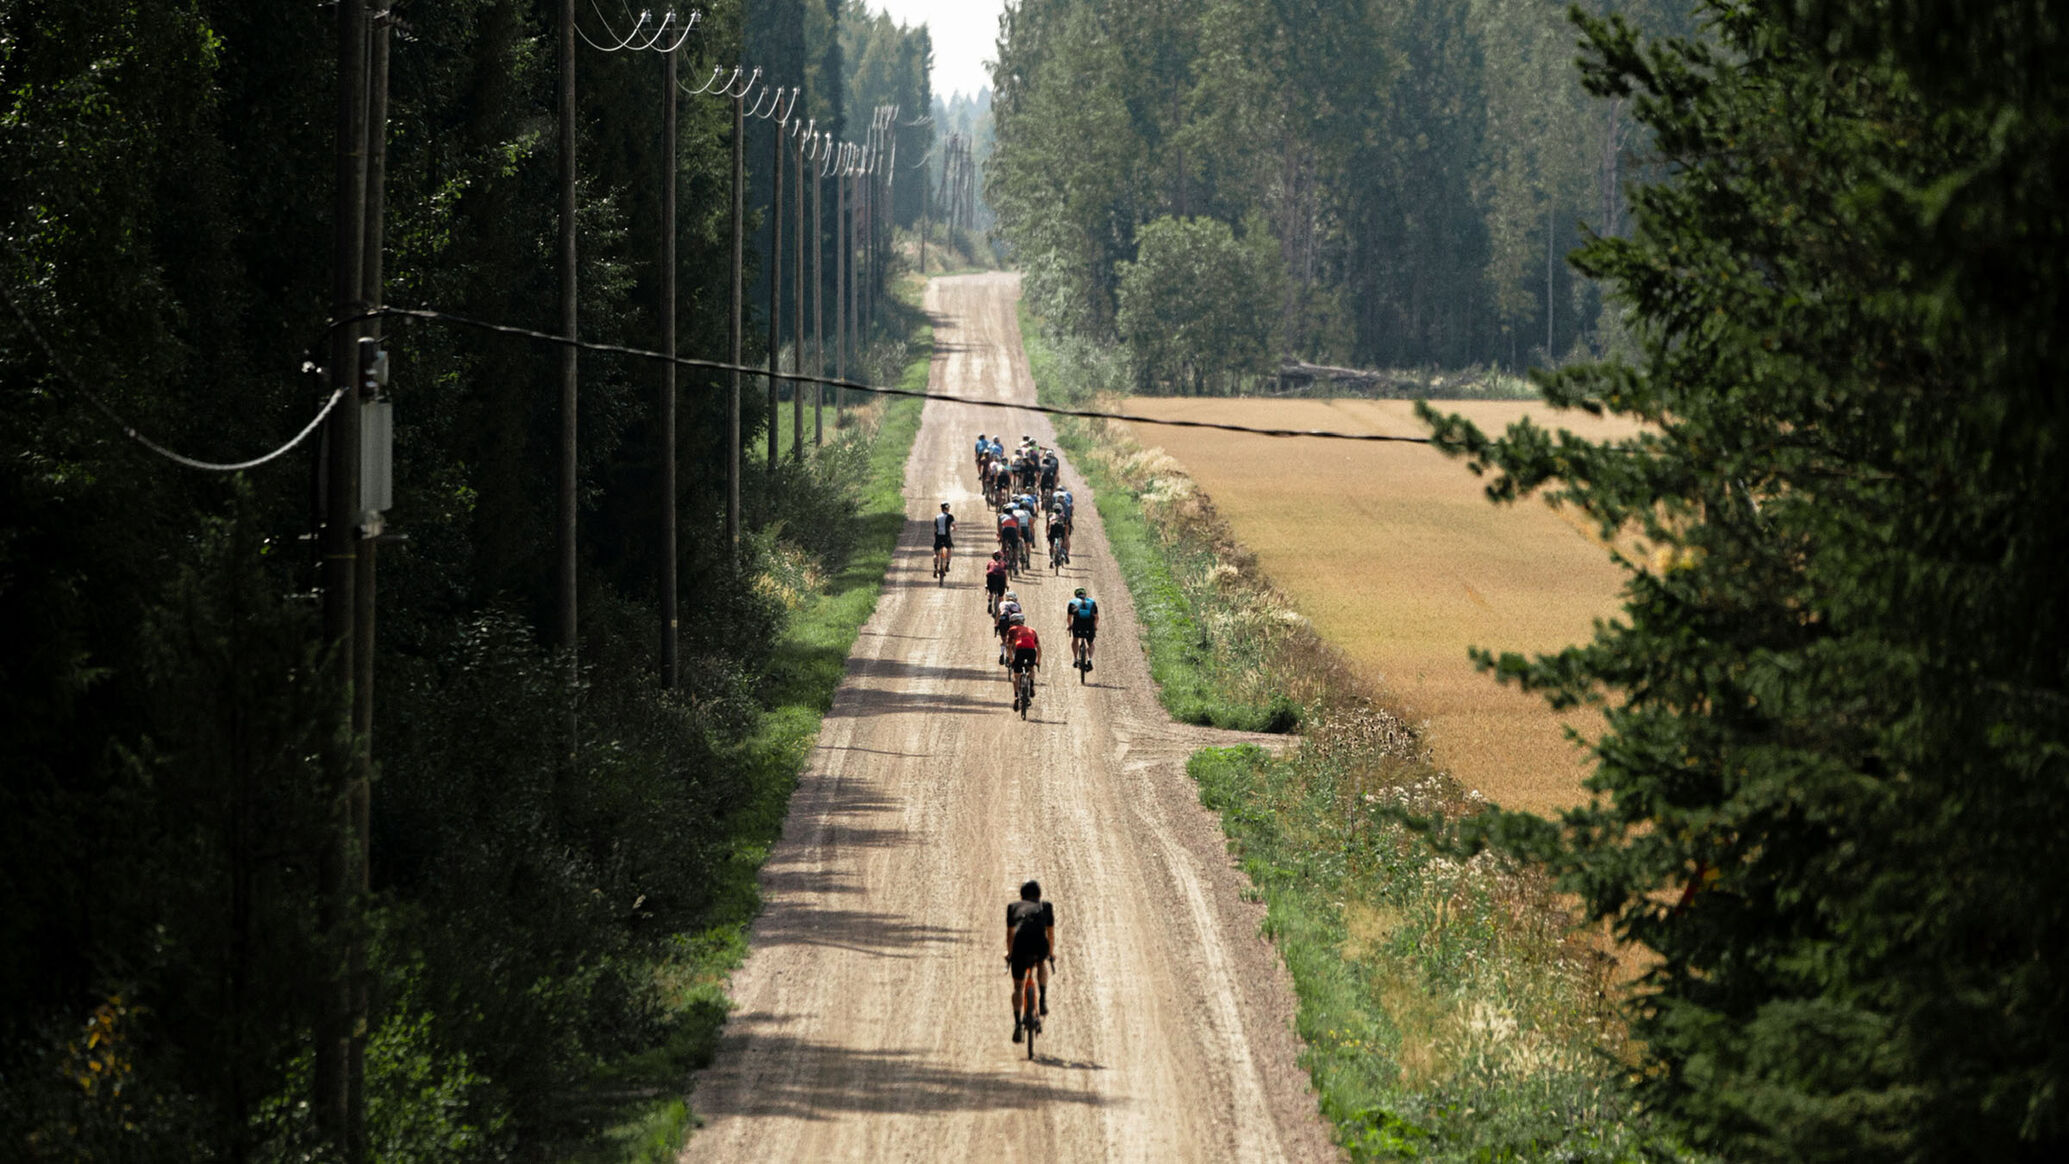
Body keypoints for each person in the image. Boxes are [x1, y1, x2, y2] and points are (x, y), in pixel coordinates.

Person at [1006, 879, 1056, 1042]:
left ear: (1021, 896)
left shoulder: (1013, 907)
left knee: (1018, 987)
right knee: (1041, 962)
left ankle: (1017, 1025)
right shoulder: (1046, 906)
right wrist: (1050, 953)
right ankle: (1042, 998)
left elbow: (1010, 935)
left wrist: (1010, 954)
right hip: (1039, 944)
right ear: (1039, 894)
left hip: (1020, 946)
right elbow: (1050, 933)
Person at [1006, 617, 1041, 709]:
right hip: (1031, 650)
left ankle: (1016, 696)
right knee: (1031, 669)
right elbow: (1039, 648)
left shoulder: (1012, 629)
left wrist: (1011, 659)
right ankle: (1032, 686)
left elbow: (1008, 646)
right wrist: (1038, 661)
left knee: (1016, 675)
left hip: (1020, 649)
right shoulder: (1032, 630)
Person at [1066, 587, 1099, 671]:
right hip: (1089, 624)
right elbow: (1096, 617)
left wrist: (1070, 625)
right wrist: (1095, 626)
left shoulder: (1072, 602)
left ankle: (1075, 659)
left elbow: (1069, 617)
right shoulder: (1092, 602)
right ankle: (1090, 659)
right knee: (1090, 643)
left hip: (1078, 623)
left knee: (1075, 639)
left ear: (1076, 595)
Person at [994, 591, 1023, 663]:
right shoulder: (1017, 604)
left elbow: (997, 616)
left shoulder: (1001, 603)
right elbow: (1020, 616)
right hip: (1013, 621)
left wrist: (996, 626)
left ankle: (1002, 653)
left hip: (1003, 620)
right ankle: (1009, 656)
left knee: (1004, 640)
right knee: (1012, 640)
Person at [1051, 485, 1074, 561]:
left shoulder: (1055, 495)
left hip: (1055, 523)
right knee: (1066, 537)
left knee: (1052, 538)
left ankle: (1053, 555)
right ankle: (1067, 554)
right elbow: (1070, 512)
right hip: (1064, 522)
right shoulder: (1067, 498)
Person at [933, 503, 956, 575]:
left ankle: (936, 568)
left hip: (938, 536)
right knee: (949, 550)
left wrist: (936, 536)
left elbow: (935, 528)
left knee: (936, 554)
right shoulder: (950, 516)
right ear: (947, 509)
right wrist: (952, 529)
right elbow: (954, 527)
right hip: (946, 536)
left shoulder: (937, 517)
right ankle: (947, 566)